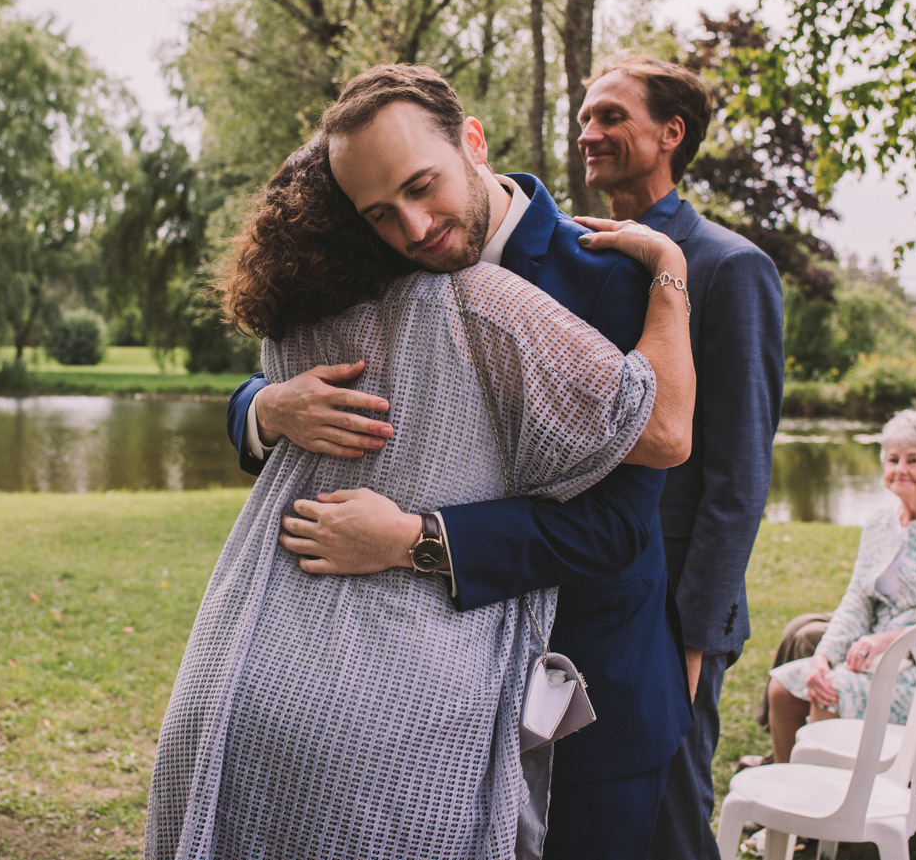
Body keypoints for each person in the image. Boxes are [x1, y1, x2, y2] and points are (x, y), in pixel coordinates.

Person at [147, 137, 691, 860]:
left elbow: (618, 519)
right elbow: (280, 380)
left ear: (472, 142)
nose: (411, 225)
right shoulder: (357, 289)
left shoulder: (604, 277)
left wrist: (415, 537)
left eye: (420, 187)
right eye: (377, 212)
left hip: (589, 686)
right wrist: (266, 407)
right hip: (390, 692)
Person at [573, 54, 784, 860]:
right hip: (577, 586)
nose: (590, 133)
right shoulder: (577, 256)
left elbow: (739, 479)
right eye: (586, 117)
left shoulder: (730, 267)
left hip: (671, 611)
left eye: (611, 116)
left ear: (671, 133)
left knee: (667, 821)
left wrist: (692, 640)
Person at [765, 410, 916, 765]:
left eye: (913, 460)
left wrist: (894, 640)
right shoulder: (879, 524)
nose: (900, 469)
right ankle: (792, 786)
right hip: (878, 661)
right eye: (893, 460)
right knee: (783, 689)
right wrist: (823, 656)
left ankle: (832, 794)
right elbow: (857, 600)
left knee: (832, 693)